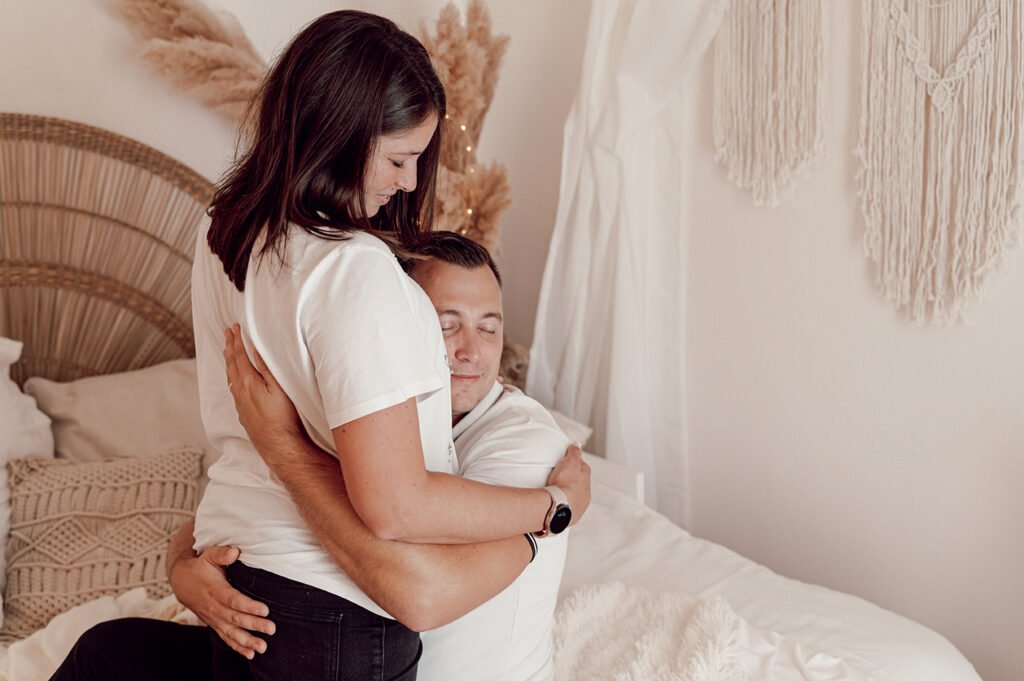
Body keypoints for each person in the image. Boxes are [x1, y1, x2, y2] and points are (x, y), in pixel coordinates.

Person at [49, 9, 588, 681]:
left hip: (245, 572)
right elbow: (396, 507)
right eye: (399, 158)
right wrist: (552, 507)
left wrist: (187, 556)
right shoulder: (353, 269)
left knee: (110, 651)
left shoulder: (226, 231)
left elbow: (243, 447)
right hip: (333, 614)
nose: (411, 183)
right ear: (336, 136)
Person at [182, 232, 574, 680]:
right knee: (107, 649)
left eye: (488, 328)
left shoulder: (525, 443)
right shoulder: (373, 412)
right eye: (446, 325)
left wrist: (556, 506)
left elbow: (417, 590)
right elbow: (258, 494)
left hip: (396, 659)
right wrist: (184, 570)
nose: (471, 351)